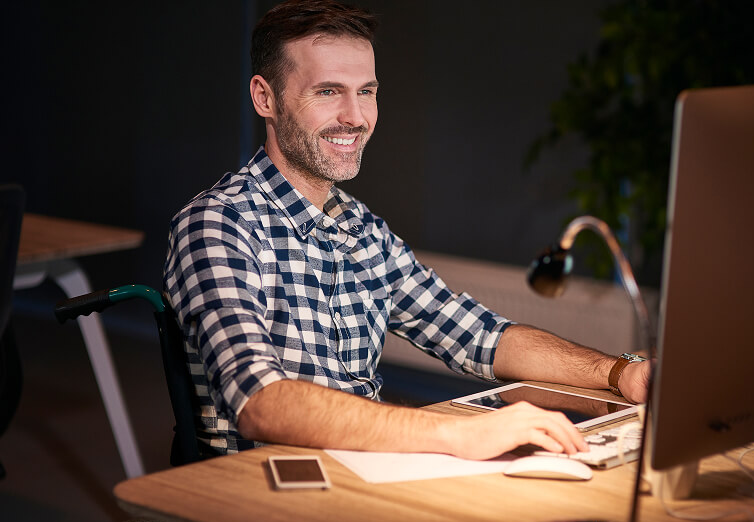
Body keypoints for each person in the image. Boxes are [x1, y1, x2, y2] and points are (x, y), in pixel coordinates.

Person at [164, 0, 649, 461]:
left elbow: (480, 337)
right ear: (265, 98)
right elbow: (261, 403)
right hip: (263, 503)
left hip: (366, 475)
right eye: (328, 91)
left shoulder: (362, 229)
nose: (355, 117)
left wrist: (619, 371)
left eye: (367, 91)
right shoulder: (218, 224)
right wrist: (459, 434)